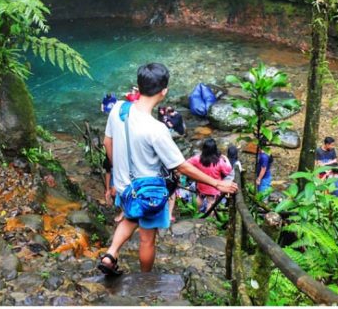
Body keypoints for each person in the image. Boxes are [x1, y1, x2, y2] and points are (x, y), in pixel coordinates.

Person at [98, 62, 238, 277]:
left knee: (130, 217)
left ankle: (110, 254)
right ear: (164, 92)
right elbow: (181, 166)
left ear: (138, 85)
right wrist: (219, 183)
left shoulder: (118, 108)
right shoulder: (157, 130)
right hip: (148, 192)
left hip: (124, 185)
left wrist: (118, 172)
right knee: (147, 238)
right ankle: (145, 280)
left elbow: (108, 142)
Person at [187, 138, 232, 213]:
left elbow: (186, 164)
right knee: (211, 202)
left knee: (200, 198)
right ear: (215, 149)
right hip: (213, 186)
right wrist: (226, 159)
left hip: (201, 184)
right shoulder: (219, 161)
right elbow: (228, 170)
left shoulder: (198, 158)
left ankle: (196, 213)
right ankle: (209, 220)